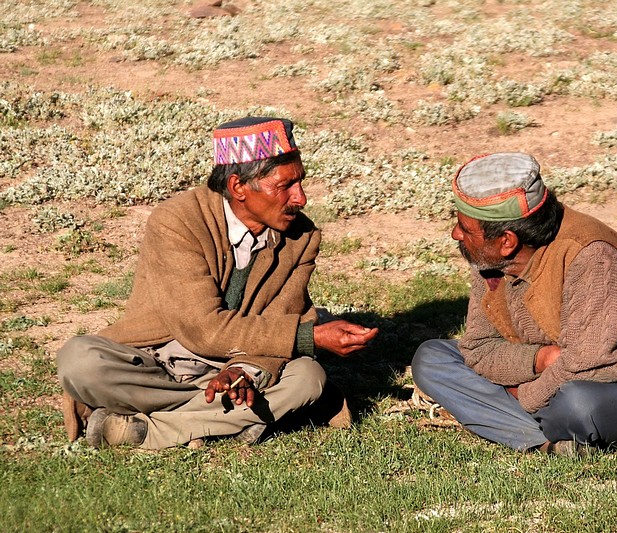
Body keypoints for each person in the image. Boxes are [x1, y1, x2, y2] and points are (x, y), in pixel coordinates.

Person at [57, 117, 378, 449]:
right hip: (159, 361)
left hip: (236, 364)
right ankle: (236, 420)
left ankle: (145, 431)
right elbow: (202, 328)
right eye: (285, 186)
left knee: (308, 379)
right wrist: (309, 337)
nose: (301, 198)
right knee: (80, 361)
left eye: (301, 182)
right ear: (238, 187)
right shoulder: (177, 220)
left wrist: (243, 372)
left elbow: (281, 314)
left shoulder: (302, 236)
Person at [412, 152, 617, 455]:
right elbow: (478, 348)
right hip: (553, 371)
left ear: (507, 241)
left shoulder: (592, 257)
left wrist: (522, 395)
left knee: (579, 406)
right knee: (432, 359)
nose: (455, 234)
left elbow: (592, 367)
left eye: (465, 229)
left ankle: (518, 423)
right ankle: (550, 441)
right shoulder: (489, 259)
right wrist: (540, 359)